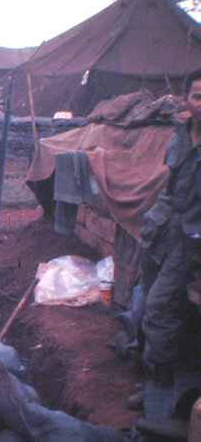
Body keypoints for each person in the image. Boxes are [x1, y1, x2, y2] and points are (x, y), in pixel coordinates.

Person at [136, 68, 201, 429]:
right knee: (145, 304)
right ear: (187, 100)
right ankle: (153, 380)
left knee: (160, 311)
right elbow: (171, 185)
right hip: (162, 231)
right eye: (197, 96)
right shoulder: (180, 133)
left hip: (192, 242)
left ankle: (159, 401)